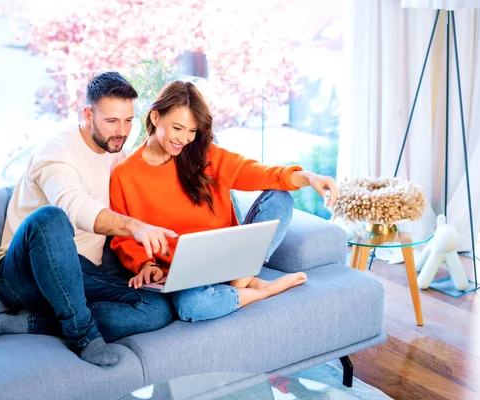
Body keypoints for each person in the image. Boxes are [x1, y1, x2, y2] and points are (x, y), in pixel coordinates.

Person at [0, 72, 177, 366]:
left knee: (157, 309)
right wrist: (134, 227)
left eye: (128, 120)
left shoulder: (115, 153)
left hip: (80, 274)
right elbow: (74, 206)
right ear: (88, 114)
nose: (122, 131)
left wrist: (147, 262)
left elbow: (140, 191)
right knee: (51, 218)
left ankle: (36, 324)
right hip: (23, 277)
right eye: (112, 121)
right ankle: (83, 336)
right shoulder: (56, 152)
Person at [110, 81, 338, 323]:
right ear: (156, 117)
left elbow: (259, 172)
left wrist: (311, 177)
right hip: (186, 273)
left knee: (279, 198)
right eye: (178, 128)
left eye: (192, 131)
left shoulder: (206, 154)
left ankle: (237, 282)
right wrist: (145, 265)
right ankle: (259, 289)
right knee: (192, 307)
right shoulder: (125, 175)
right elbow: (124, 235)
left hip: (232, 256)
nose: (185, 139)